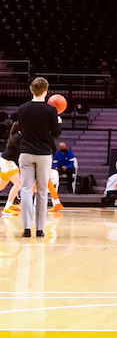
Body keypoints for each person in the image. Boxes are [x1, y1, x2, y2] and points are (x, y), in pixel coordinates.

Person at [17, 76, 62, 238]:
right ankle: (41, 229)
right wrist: (57, 122)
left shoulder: (22, 109)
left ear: (31, 90)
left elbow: (21, 129)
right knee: (42, 191)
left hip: (26, 152)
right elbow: (56, 133)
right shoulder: (51, 111)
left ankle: (27, 228)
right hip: (43, 153)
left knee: (26, 190)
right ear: (46, 91)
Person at [1, 122, 21, 215]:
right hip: (8, 161)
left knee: (1, 186)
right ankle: (7, 208)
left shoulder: (17, 136)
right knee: (18, 183)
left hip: (7, 161)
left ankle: (10, 203)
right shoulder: (18, 137)